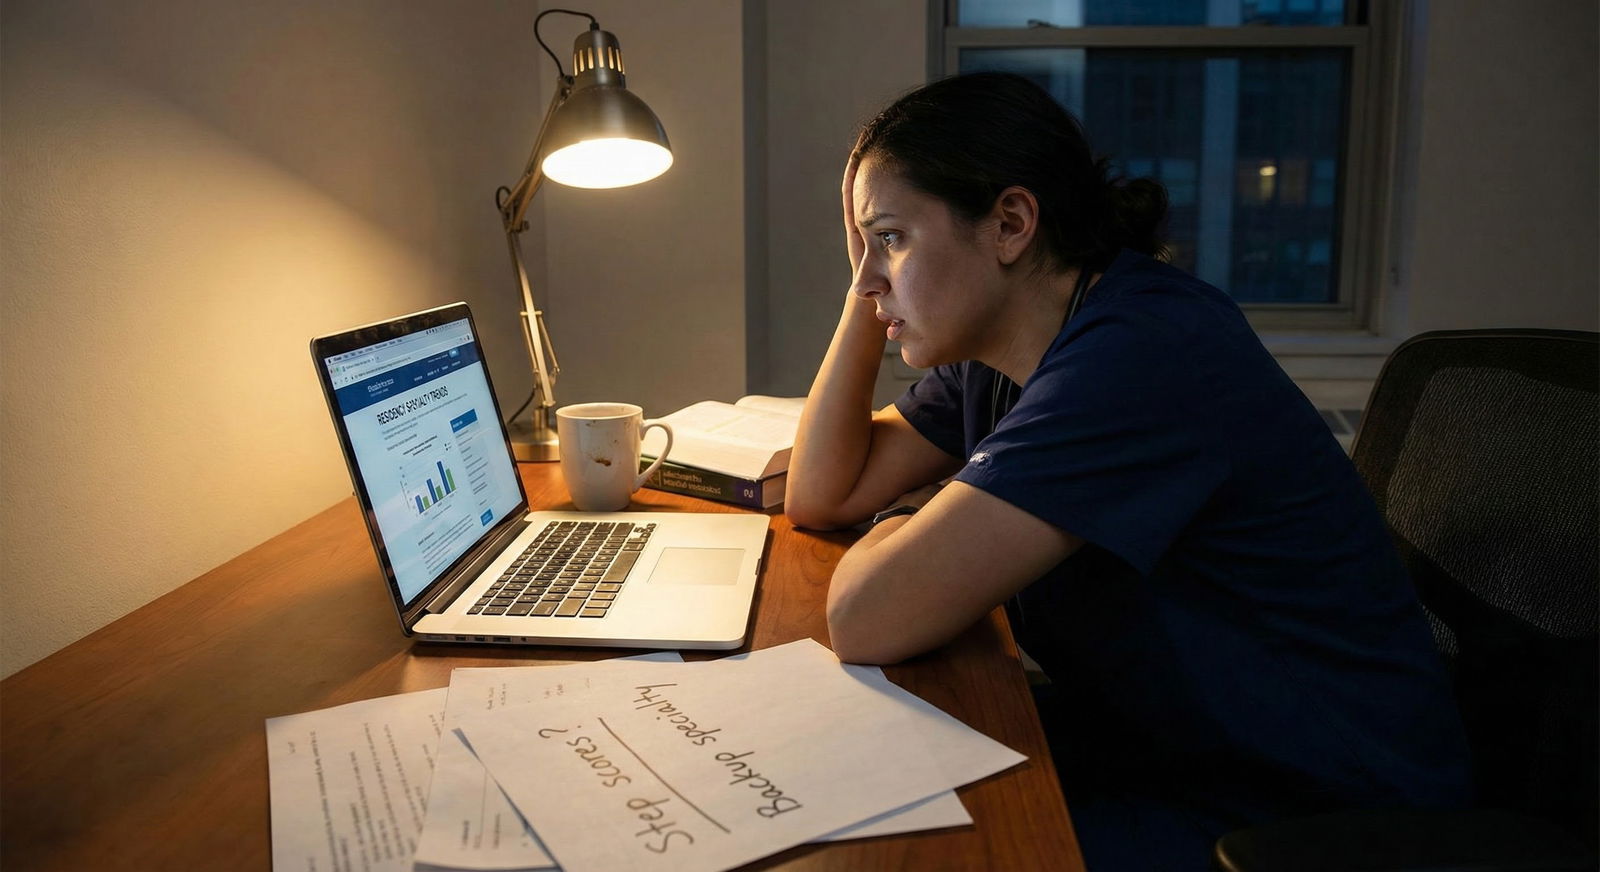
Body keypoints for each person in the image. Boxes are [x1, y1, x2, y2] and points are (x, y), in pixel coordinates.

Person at [784, 72, 1471, 869]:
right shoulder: (1006, 343)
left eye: (893, 238)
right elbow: (823, 493)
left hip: (1306, 812)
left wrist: (918, 510)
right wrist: (869, 278)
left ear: (1010, 223)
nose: (867, 275)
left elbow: (867, 618)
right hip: (1165, 746)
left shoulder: (1141, 355)